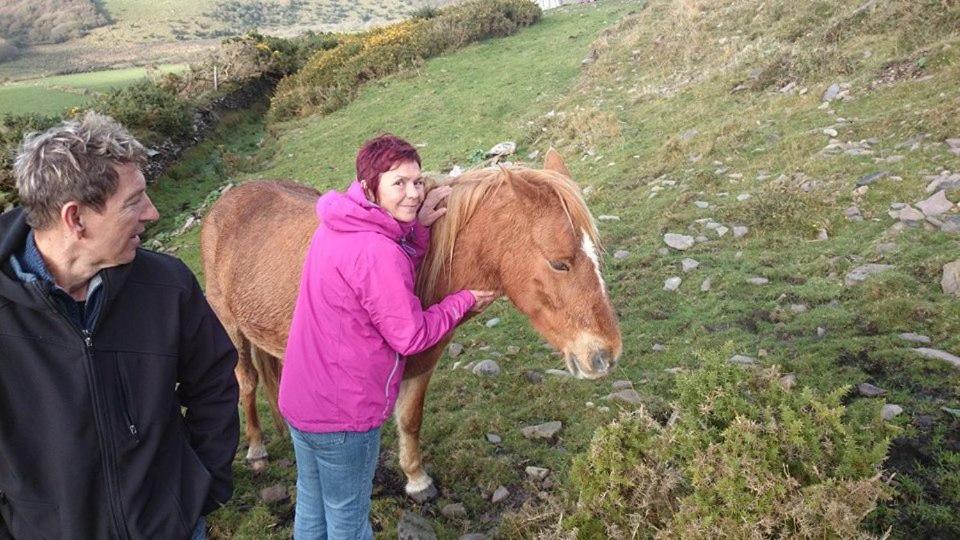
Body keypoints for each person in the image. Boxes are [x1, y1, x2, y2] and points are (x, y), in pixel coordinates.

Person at [0, 112, 240, 539]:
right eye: (134, 201)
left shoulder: (167, 285)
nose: (153, 212)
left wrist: (200, 486)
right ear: (75, 219)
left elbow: (214, 383)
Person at [279, 134, 498, 538]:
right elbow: (411, 337)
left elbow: (379, 271)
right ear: (369, 187)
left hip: (302, 401)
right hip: (345, 416)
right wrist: (461, 301)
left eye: (417, 182)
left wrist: (417, 228)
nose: (414, 194)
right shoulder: (377, 252)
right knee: (348, 520)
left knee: (311, 505)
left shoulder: (340, 224)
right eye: (399, 183)